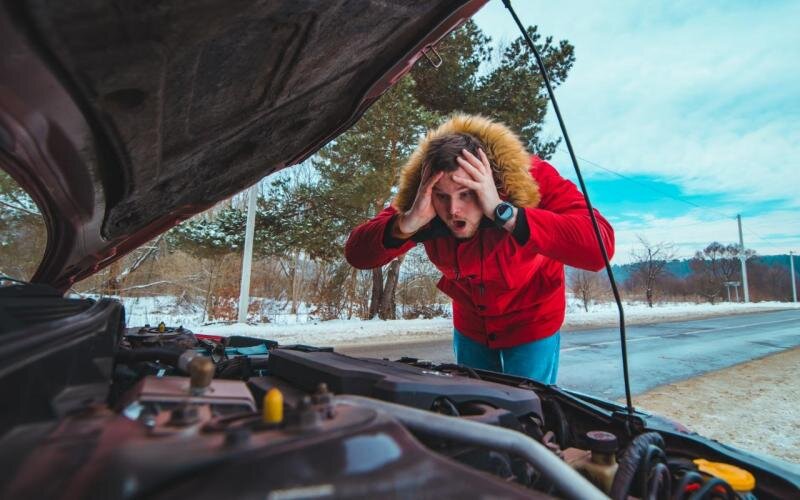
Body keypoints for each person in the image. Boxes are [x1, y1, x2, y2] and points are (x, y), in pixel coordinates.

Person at [344, 115, 614, 384]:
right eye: (442, 196)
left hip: (533, 321)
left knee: (528, 407)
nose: (453, 211)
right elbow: (357, 253)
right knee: (474, 404)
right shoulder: (423, 194)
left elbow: (600, 246)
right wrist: (407, 223)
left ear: (491, 183)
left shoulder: (529, 175)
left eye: (466, 193)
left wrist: (504, 213)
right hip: (471, 325)